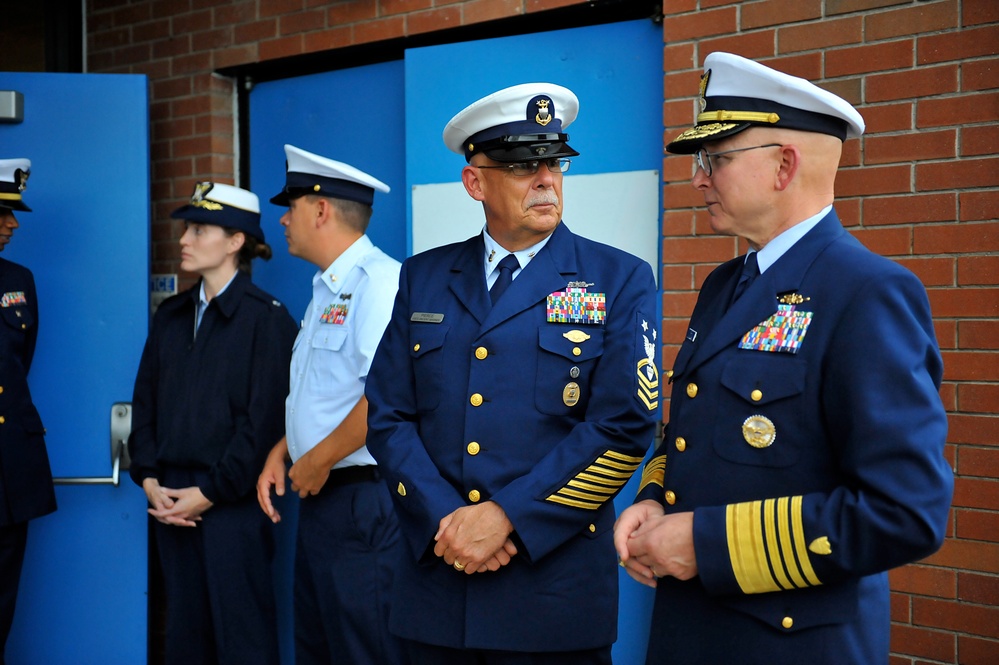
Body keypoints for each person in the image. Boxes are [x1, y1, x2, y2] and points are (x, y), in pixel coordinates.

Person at [614, 52, 954, 664]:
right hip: (691, 631)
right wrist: (655, 499)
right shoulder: (726, 284)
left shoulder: (866, 292)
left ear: (784, 165)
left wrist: (705, 543)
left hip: (789, 644)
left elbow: (906, 511)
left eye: (715, 159)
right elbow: (692, 433)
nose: (698, 178)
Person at [365, 83, 660, 664]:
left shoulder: (619, 277)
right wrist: (445, 523)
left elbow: (625, 426)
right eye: (524, 165)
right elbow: (389, 414)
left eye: (554, 163)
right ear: (475, 181)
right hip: (436, 589)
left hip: (550, 597)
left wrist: (506, 519)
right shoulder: (424, 277)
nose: (546, 178)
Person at [128, 181, 296, 665]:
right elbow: (147, 403)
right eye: (186, 228)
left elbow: (262, 422)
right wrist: (149, 477)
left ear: (236, 241)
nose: (184, 239)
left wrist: (214, 491)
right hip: (171, 500)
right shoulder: (171, 315)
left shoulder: (268, 320)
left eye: (199, 229)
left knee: (242, 636)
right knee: (185, 636)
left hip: (232, 505)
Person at [255, 144, 407, 664]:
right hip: (325, 495)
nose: (282, 218)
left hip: (362, 500)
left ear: (320, 210)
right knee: (320, 646)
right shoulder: (327, 288)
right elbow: (329, 390)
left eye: (290, 204)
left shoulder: (379, 284)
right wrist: (287, 448)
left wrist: (315, 459)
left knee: (364, 648)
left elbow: (386, 394)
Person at [0, 158, 57, 664]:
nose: (13, 224)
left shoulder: (19, 280)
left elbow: (16, 368)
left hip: (8, 476)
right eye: (2, 213)